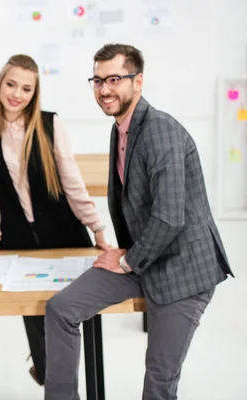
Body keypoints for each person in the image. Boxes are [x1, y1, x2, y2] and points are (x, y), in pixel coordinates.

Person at [43, 43, 234, 400]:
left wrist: (127, 259)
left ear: (138, 81)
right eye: (97, 80)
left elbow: (169, 216)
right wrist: (127, 256)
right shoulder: (121, 129)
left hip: (182, 270)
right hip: (144, 258)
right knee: (61, 309)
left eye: (114, 78)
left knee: (158, 383)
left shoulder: (159, 130)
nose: (104, 89)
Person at [0, 54, 109, 388]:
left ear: (35, 93)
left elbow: (73, 182)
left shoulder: (50, 125)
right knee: (34, 317)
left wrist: (98, 228)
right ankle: (52, 381)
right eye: (11, 84)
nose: (17, 94)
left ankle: (73, 387)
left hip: (64, 235)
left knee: (71, 316)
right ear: (0, 84)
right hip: (19, 242)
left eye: (26, 88)